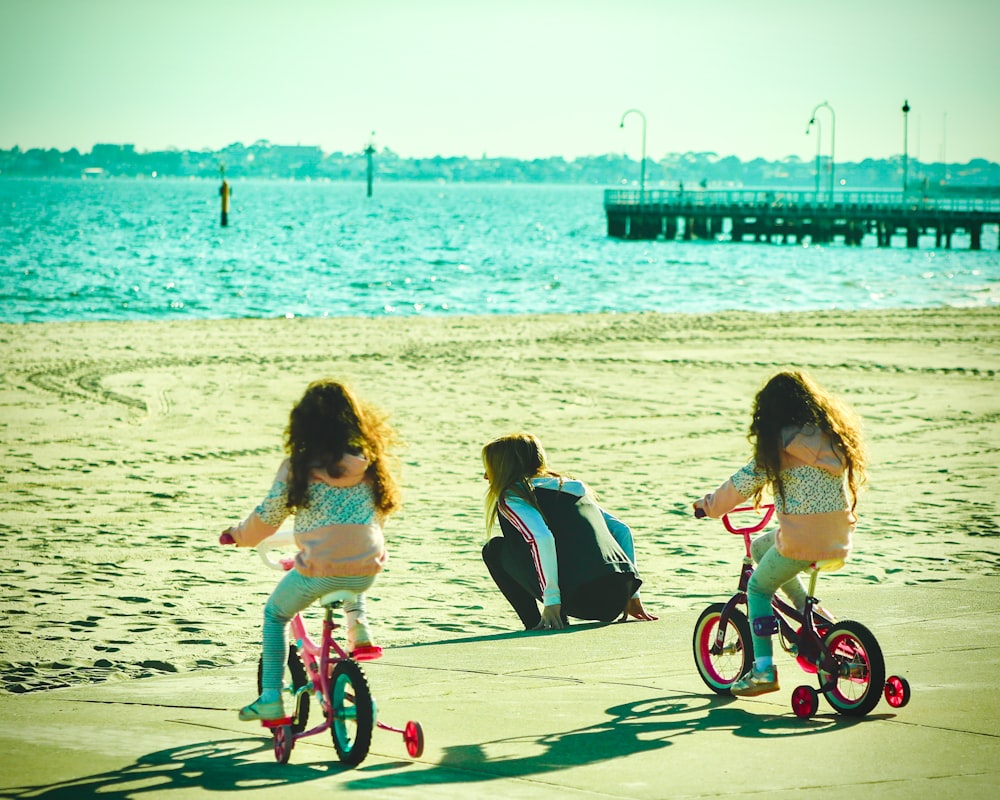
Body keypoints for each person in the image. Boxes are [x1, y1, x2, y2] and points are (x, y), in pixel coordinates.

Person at [219, 379, 402, 722]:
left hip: (320, 566)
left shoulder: (299, 467)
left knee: (275, 615)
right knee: (350, 560)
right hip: (366, 567)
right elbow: (381, 512)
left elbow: (269, 517)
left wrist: (239, 536)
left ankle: (271, 696)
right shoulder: (370, 463)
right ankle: (358, 629)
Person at [693, 370, 867, 697]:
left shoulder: (780, 443)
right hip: (838, 536)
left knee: (758, 588)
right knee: (763, 547)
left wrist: (710, 506)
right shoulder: (831, 435)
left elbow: (742, 484)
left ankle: (762, 670)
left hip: (803, 538)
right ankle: (811, 618)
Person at [481, 432, 656, 631]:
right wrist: (632, 595)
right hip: (618, 595)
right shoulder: (569, 488)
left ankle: (536, 624)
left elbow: (542, 539)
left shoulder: (513, 496)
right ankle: (558, 617)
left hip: (580, 599)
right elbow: (621, 530)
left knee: (494, 550)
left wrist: (552, 602)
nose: (485, 476)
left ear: (504, 469)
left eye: (489, 468)